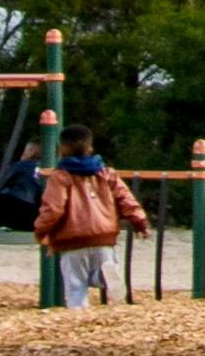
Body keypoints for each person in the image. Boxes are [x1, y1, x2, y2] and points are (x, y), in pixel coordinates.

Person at [33, 124, 146, 310]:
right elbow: (126, 199)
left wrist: (41, 231)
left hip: (72, 240)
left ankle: (79, 316)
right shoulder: (107, 173)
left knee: (76, 286)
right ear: (90, 147)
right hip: (104, 237)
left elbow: (53, 209)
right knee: (100, 270)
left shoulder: (61, 176)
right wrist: (140, 221)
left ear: (62, 148)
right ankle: (106, 276)